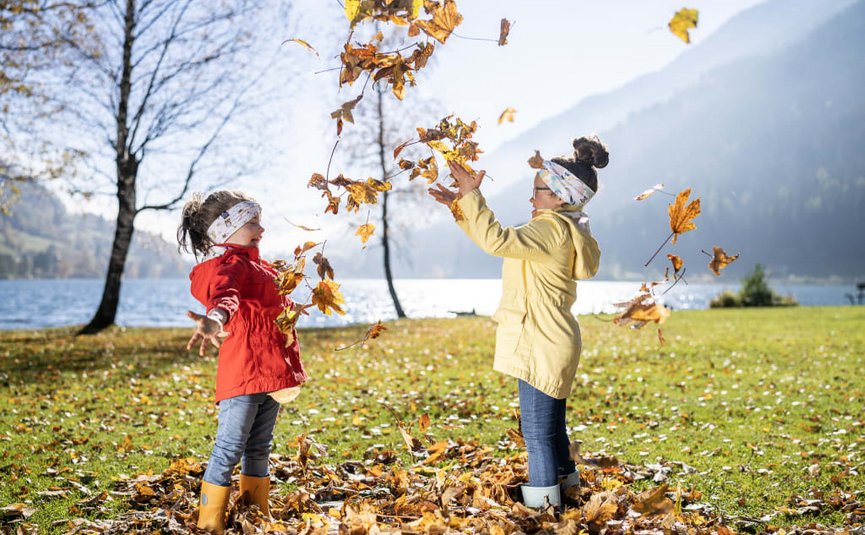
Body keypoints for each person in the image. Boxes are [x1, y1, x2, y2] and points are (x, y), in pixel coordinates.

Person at [428, 136, 607, 508]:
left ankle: (546, 512)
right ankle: (568, 496)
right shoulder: (564, 227)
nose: (532, 197)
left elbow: (497, 241)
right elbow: (504, 243)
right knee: (553, 429)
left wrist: (470, 196)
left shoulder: (549, 229)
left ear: (559, 197)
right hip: (554, 338)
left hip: (541, 340)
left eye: (539, 191)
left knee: (537, 434)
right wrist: (462, 207)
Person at [177, 190, 307, 533]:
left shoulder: (259, 266)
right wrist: (215, 320)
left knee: (260, 447)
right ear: (225, 231)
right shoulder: (232, 266)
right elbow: (226, 296)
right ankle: (210, 523)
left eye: (259, 220)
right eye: (252, 221)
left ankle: (255, 515)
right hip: (246, 372)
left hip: (270, 374)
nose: (260, 228)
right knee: (230, 448)